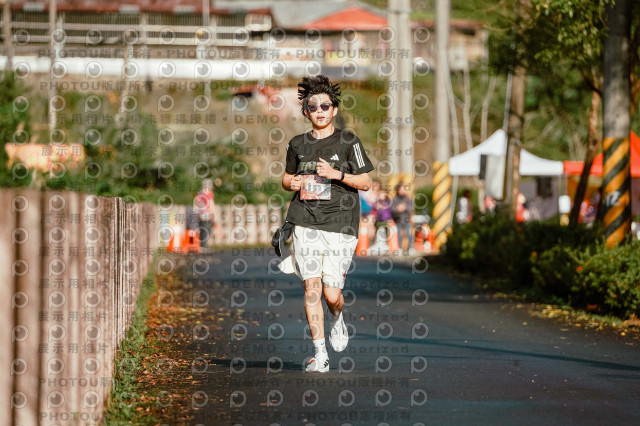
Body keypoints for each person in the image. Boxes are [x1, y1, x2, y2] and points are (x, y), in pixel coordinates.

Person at [279, 75, 373, 373]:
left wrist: (337, 175)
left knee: (331, 295)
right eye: (313, 106)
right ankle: (320, 355)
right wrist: (291, 183)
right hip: (305, 220)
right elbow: (286, 178)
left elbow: (366, 182)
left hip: (340, 224)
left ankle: (337, 317)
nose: (319, 111)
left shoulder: (348, 141)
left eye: (325, 106)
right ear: (305, 111)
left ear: (334, 109)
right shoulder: (297, 144)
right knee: (311, 288)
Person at [193, 179, 218, 249]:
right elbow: (211, 206)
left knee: (203, 231)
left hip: (200, 215)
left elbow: (196, 204)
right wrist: (213, 214)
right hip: (207, 215)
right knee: (206, 231)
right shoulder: (207, 194)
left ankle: (202, 246)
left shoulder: (199, 194)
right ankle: (203, 247)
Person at [391, 182, 414, 254]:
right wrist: (398, 208)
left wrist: (404, 207)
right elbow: (392, 209)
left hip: (407, 219)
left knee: (408, 234)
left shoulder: (408, 198)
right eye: (401, 189)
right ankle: (400, 248)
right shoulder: (394, 198)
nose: (403, 190)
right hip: (398, 219)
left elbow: (411, 208)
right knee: (399, 235)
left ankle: (410, 248)